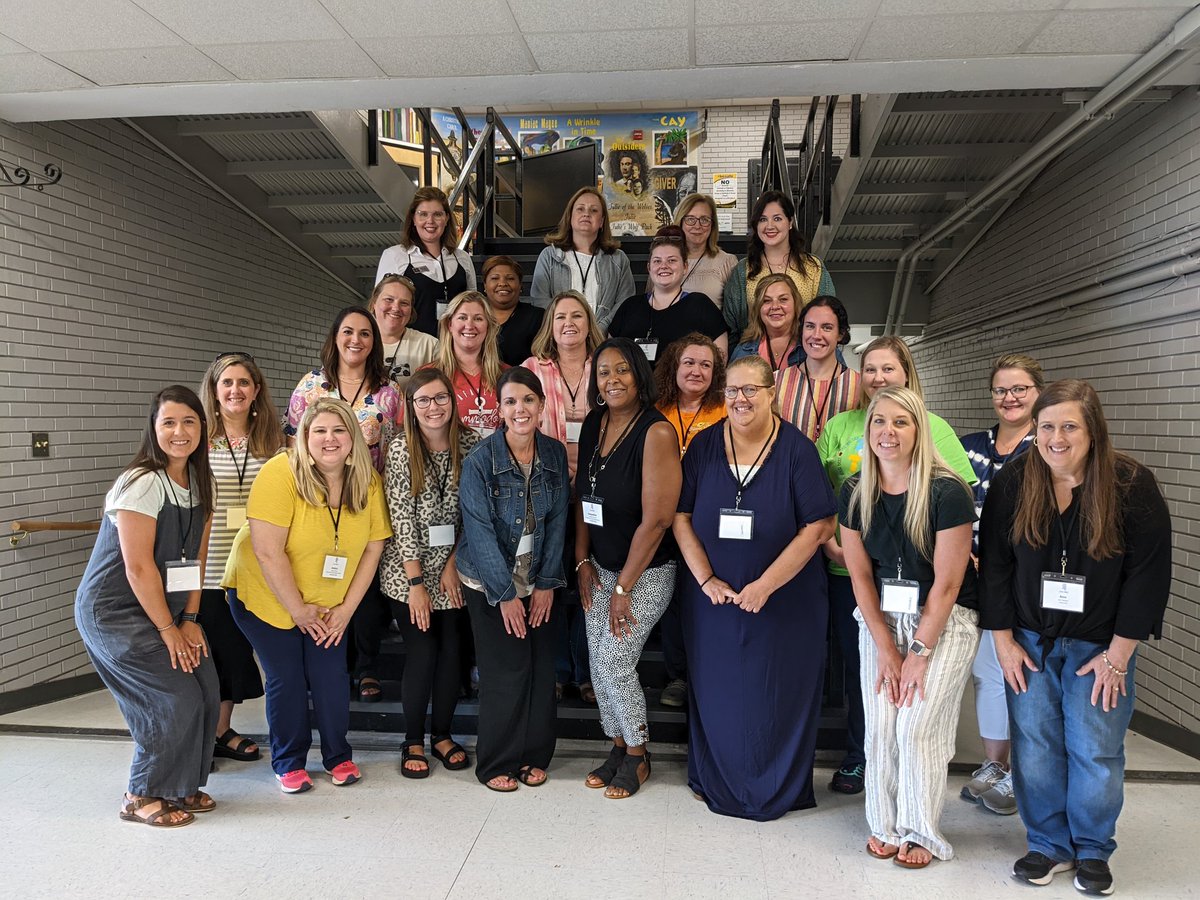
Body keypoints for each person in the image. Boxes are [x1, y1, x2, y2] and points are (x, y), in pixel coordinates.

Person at [979, 379, 1172, 896]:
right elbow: (994, 565)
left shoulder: (1132, 485)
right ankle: (1047, 844)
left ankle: (1091, 847)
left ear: (1093, 432)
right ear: (1034, 431)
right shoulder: (1016, 480)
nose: (1056, 439)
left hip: (1101, 649)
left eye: (1070, 427)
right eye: (1047, 427)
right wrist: (1002, 640)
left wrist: (1119, 655)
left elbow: (1148, 576)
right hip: (1029, 643)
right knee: (1036, 746)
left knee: (1095, 751)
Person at [672, 355, 837, 819]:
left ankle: (774, 786)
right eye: (732, 391)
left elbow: (820, 526)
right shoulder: (703, 447)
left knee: (774, 694)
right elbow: (681, 517)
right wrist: (704, 578)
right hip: (713, 603)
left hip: (785, 603)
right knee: (719, 690)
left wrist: (765, 585)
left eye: (751, 390)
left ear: (772, 394)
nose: (740, 399)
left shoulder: (797, 450)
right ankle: (717, 778)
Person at [816, 335, 976, 797]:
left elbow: (957, 500)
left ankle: (911, 779)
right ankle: (859, 758)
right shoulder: (840, 425)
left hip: (919, 584)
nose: (878, 378)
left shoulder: (932, 426)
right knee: (864, 674)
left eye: (888, 369)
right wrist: (832, 544)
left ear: (906, 372)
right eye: (870, 369)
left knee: (914, 694)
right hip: (852, 575)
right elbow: (828, 497)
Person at [839, 386, 980, 868]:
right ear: (868, 431)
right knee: (880, 726)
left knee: (917, 725)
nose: (888, 432)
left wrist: (916, 655)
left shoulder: (946, 491)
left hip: (943, 621)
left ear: (919, 429)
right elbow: (859, 575)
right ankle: (884, 823)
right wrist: (886, 649)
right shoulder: (855, 492)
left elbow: (948, 583)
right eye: (879, 422)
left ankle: (921, 830)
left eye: (901, 422)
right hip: (880, 619)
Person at [225, 397, 391, 794]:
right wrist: (298, 610)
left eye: (339, 430)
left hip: (329, 602)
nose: (329, 439)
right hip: (266, 594)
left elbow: (373, 547)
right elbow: (267, 550)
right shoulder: (280, 473)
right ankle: (289, 762)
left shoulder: (365, 478)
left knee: (331, 675)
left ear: (353, 438)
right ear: (304, 436)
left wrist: (346, 610)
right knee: (288, 677)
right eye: (319, 430)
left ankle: (338, 756)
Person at [75, 385, 218, 827]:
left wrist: (190, 619)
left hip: (167, 609)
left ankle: (178, 787)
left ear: (202, 428)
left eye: (189, 421)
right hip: (116, 613)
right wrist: (167, 629)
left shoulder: (200, 481)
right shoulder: (140, 482)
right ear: (153, 429)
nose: (179, 431)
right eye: (168, 422)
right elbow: (138, 569)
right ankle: (140, 793)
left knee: (207, 689)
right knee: (172, 697)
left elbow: (198, 557)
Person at [575, 337, 682, 799]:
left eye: (621, 370)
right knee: (598, 668)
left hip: (645, 572)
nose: (611, 379)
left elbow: (657, 519)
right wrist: (581, 559)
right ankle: (617, 744)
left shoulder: (656, 432)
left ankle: (638, 754)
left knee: (615, 662)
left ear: (639, 375)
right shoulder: (594, 423)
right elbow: (584, 495)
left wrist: (623, 588)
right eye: (603, 372)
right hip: (599, 566)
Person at [456, 367, 570, 792]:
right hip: (489, 583)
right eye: (510, 402)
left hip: (538, 575)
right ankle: (496, 762)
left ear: (541, 405)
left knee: (541, 671)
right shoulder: (480, 462)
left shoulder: (554, 454)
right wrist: (505, 595)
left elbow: (558, 521)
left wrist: (545, 583)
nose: (519, 409)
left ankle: (534, 756)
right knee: (505, 670)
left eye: (527, 400)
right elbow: (479, 531)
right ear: (499, 410)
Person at [286, 305, 401, 703]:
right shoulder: (311, 386)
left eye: (365, 333)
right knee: (322, 581)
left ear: (375, 342)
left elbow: (397, 447)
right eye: (348, 332)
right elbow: (292, 445)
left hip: (365, 500)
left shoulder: (388, 392)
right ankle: (324, 663)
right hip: (317, 502)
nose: (356, 340)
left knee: (366, 592)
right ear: (335, 337)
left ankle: (367, 666)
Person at [379, 370, 479, 779]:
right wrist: (417, 585)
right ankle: (412, 739)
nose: (433, 407)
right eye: (423, 400)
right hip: (409, 573)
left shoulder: (471, 444)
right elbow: (400, 520)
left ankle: (441, 734)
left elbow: (475, 513)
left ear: (452, 402)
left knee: (452, 653)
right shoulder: (402, 449)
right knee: (422, 652)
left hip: (454, 571)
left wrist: (454, 563)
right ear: (411, 407)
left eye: (440, 398)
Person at [957, 353, 1045, 816]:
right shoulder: (969, 444)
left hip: (1018, 580)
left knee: (1020, 675)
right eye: (1001, 390)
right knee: (987, 673)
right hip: (966, 576)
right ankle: (996, 767)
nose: (1009, 397)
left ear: (1037, 393)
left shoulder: (1046, 447)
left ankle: (1027, 776)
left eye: (1019, 389)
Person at [521, 290, 605, 705]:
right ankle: (556, 669)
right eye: (560, 318)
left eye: (576, 315)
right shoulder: (533, 369)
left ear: (588, 321)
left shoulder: (606, 365)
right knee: (551, 577)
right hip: (547, 489)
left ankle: (587, 670)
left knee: (591, 579)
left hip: (597, 489)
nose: (568, 323)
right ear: (549, 327)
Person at [199, 352, 284, 763]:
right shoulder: (197, 439)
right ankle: (210, 734)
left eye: (244, 383)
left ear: (256, 391)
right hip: (209, 567)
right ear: (214, 392)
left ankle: (219, 731)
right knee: (211, 654)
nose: (236, 390)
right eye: (227, 383)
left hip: (260, 565)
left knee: (236, 654)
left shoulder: (275, 441)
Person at [653, 333, 728, 708]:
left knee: (705, 596)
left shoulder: (725, 411)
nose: (696, 371)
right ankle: (678, 676)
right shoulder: (655, 409)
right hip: (663, 520)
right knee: (672, 601)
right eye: (689, 362)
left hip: (708, 522)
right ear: (674, 367)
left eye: (706, 365)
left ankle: (711, 670)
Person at [723, 190, 836, 345]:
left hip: (804, 357)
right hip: (754, 360)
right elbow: (732, 329)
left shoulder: (814, 268)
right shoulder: (743, 271)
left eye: (777, 218)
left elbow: (829, 318)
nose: (769, 226)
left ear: (790, 222)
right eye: (763, 219)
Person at [607, 225, 728, 366]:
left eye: (671, 260)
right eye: (657, 261)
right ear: (649, 268)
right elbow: (609, 355)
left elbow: (719, 361)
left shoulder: (701, 306)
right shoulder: (630, 307)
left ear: (685, 267)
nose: (663, 266)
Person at [530, 187, 635, 332]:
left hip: (603, 341)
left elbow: (625, 303)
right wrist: (566, 329)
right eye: (580, 209)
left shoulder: (618, 260)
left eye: (594, 210)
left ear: (601, 222)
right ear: (570, 217)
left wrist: (598, 331)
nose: (586, 213)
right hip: (560, 339)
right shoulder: (549, 256)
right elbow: (540, 300)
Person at [375, 186, 477, 336]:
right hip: (413, 349)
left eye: (437, 214)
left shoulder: (463, 258)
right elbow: (380, 310)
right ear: (413, 219)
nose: (430, 221)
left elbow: (473, 307)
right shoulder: (395, 256)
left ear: (447, 218)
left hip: (455, 349)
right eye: (423, 214)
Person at [777, 296, 861, 442]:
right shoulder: (776, 381)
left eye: (827, 327)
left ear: (840, 334)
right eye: (810, 326)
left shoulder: (859, 385)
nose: (816, 335)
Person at [426, 290, 507, 437]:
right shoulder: (428, 375)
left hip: (496, 458)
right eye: (462, 318)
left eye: (478, 319)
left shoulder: (507, 375)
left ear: (488, 326)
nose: (469, 325)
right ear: (449, 325)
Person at [368, 274, 438, 390]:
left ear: (411, 310)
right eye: (389, 300)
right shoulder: (357, 342)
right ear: (374, 303)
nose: (396, 308)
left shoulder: (429, 346)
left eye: (404, 303)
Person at [729, 274, 807, 375]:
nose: (775, 306)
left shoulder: (812, 345)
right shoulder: (744, 350)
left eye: (783, 299)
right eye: (766, 301)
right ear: (758, 308)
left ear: (796, 303)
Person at [674, 193, 737, 305]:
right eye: (690, 219)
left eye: (704, 220)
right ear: (680, 222)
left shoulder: (727, 263)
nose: (697, 226)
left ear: (712, 225)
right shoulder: (663, 260)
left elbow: (734, 314)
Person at [482, 255, 543, 366]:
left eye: (510, 278)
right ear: (485, 285)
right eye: (495, 278)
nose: (502, 283)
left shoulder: (537, 317)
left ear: (520, 285)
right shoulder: (474, 317)